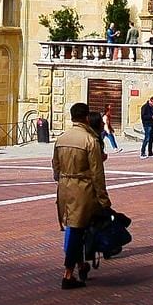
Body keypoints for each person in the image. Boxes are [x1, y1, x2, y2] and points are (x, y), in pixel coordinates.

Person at [51, 102, 110, 289]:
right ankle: (68, 274)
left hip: (64, 187)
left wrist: (62, 179)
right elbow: (97, 173)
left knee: (74, 227)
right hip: (82, 189)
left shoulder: (61, 138)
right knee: (78, 231)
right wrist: (103, 198)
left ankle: (81, 265)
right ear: (86, 118)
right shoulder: (89, 140)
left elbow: (55, 167)